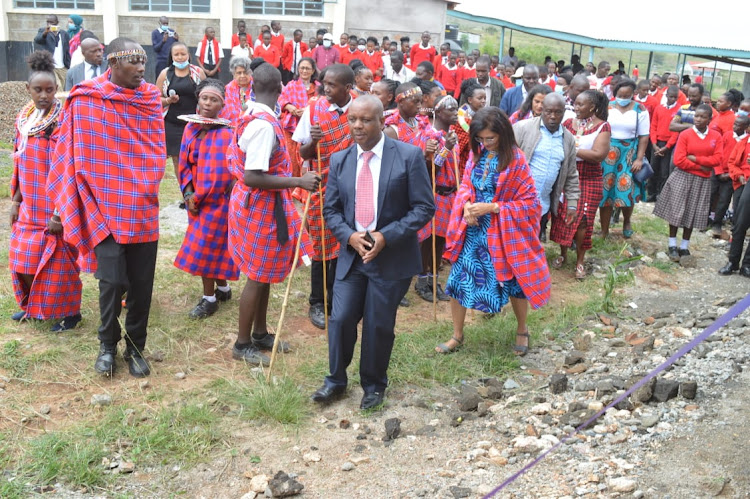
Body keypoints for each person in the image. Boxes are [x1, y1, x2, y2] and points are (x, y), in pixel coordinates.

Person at [47, 37, 165, 378]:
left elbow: (155, 150)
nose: (142, 69)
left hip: (141, 206)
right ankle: (107, 346)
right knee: (111, 282)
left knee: (142, 284)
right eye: (134, 62)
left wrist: (141, 184)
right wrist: (64, 206)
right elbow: (71, 153)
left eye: (144, 62)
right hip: (102, 207)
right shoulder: (86, 99)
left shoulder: (148, 98)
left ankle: (136, 349)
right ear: (112, 63)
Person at [311, 95, 434, 410]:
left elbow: (424, 207)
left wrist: (385, 236)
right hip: (352, 256)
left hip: (390, 256)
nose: (357, 126)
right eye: (352, 119)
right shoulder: (340, 160)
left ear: (382, 122)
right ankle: (336, 380)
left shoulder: (408, 156)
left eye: (365, 120)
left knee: (379, 324)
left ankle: (374, 385)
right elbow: (332, 210)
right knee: (339, 318)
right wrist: (349, 237)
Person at [227, 62, 321, 365]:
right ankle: (242, 344)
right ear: (281, 88)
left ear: (252, 86)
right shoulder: (263, 126)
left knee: (265, 270)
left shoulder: (253, 113)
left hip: (259, 203)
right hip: (258, 204)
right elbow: (253, 175)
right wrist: (298, 181)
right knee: (256, 274)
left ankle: (260, 333)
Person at [438, 107, 550, 355]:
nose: (485, 143)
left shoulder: (516, 159)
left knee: (513, 283)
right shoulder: (477, 156)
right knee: (459, 279)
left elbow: (531, 203)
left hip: (504, 234)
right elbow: (466, 184)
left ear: (503, 133)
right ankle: (457, 335)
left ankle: (522, 330)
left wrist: (494, 207)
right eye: (480, 138)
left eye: (490, 138)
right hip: (474, 232)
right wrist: (466, 205)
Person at [9, 51, 82, 331]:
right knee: (22, 258)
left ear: (56, 90)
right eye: (38, 90)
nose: (43, 95)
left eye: (49, 90)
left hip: (54, 207)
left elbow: (66, 168)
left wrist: (60, 214)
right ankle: (35, 307)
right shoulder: (24, 119)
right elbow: (19, 161)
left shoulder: (61, 122)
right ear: (27, 89)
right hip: (29, 205)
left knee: (60, 263)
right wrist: (15, 201)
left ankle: (71, 314)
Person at [293, 64, 354, 329]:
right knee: (320, 246)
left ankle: (339, 297)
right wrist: (314, 142)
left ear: (348, 88)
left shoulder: (359, 111)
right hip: (322, 187)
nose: (325, 89)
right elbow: (303, 154)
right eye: (324, 83)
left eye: (332, 85)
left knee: (346, 244)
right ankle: (317, 301)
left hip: (352, 189)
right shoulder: (314, 108)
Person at [174, 80, 239, 318]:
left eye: (214, 100)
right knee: (212, 245)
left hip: (217, 201)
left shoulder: (225, 133)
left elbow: (219, 175)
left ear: (222, 104)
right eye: (204, 98)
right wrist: (189, 193)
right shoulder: (191, 128)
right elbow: (184, 165)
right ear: (198, 99)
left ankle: (209, 298)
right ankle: (223, 288)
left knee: (207, 246)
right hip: (196, 199)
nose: (208, 103)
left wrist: (199, 197)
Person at [550, 90, 611, 279]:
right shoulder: (568, 123)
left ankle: (580, 261)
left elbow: (598, 155)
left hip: (589, 178)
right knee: (564, 216)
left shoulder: (603, 127)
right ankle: (563, 254)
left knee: (583, 220)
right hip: (567, 176)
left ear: (592, 107)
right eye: (574, 104)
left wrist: (573, 150)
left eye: (580, 105)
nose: (575, 108)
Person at [654, 104, 723, 261]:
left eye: (702, 117)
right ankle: (672, 244)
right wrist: (703, 166)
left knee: (692, 211)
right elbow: (679, 160)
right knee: (676, 210)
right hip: (683, 176)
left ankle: (684, 246)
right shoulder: (685, 134)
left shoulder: (716, 137)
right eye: (696, 116)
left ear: (709, 119)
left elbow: (718, 159)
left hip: (702, 180)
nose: (698, 119)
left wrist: (695, 158)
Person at [513, 93, 579, 248]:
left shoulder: (567, 139)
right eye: (548, 111)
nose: (553, 116)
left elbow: (571, 175)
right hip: (517, 202)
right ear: (541, 110)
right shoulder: (522, 128)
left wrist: (572, 204)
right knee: (513, 245)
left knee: (530, 247)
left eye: (558, 112)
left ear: (564, 112)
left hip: (542, 206)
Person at [415, 95, 460, 302]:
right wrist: (446, 149)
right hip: (434, 192)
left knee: (441, 240)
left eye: (456, 109)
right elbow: (428, 169)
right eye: (451, 110)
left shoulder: (452, 135)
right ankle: (422, 280)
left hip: (450, 194)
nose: (455, 114)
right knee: (428, 239)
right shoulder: (429, 135)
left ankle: (434, 279)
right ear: (439, 112)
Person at [600, 79, 650, 239]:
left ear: (632, 95)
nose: (623, 98)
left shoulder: (640, 110)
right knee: (606, 189)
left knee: (627, 188)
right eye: (620, 95)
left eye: (627, 95)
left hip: (629, 153)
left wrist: (639, 159)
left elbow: (644, 136)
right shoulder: (606, 107)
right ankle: (604, 229)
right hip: (608, 151)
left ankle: (627, 221)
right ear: (615, 94)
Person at [156, 42, 206, 180]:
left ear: (188, 55)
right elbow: (155, 99)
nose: (180, 57)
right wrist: (167, 101)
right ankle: (185, 195)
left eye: (183, 54)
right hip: (172, 125)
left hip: (194, 124)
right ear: (171, 56)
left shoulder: (198, 72)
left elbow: (207, 94)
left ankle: (197, 192)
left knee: (196, 158)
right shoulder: (165, 74)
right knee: (178, 160)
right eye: (176, 54)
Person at [720, 117, 750, 276]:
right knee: (740, 224)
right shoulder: (744, 143)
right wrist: (739, 175)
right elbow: (733, 162)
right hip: (743, 184)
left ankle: (747, 264)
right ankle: (733, 261)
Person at [710, 115, 748, 237]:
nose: (734, 126)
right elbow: (718, 152)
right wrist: (719, 171)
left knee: (724, 200)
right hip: (718, 171)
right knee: (710, 195)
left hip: (732, 176)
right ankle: (704, 220)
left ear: (746, 127)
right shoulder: (727, 135)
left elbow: (741, 165)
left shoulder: (745, 141)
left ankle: (717, 223)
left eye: (738, 125)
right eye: (734, 124)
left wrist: (730, 174)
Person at [280, 57, 319, 176]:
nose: (304, 71)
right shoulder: (291, 85)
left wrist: (307, 111)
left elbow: (322, 103)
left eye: (308, 68)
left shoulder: (318, 87)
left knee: (310, 159)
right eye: (302, 68)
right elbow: (281, 99)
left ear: (313, 71)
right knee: (292, 159)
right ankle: (294, 189)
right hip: (292, 128)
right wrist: (290, 107)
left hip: (312, 128)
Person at [648, 86, 681, 201]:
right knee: (653, 168)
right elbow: (653, 126)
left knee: (664, 171)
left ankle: (660, 194)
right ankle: (651, 192)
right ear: (666, 96)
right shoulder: (659, 108)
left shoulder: (679, 110)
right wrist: (654, 143)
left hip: (668, 145)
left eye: (675, 97)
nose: (672, 99)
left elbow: (676, 131)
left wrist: (667, 147)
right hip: (656, 143)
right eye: (671, 96)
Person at [454, 81, 486, 179]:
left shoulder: (480, 113)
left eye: (485, 98)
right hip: (464, 161)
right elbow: (460, 145)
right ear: (470, 99)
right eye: (480, 98)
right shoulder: (462, 118)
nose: (483, 101)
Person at [34, 15, 71, 89]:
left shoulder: (64, 34)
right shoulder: (43, 31)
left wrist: (68, 64)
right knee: (58, 86)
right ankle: (59, 101)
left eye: (52, 22)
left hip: (62, 66)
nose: (49, 24)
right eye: (48, 22)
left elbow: (67, 50)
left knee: (65, 88)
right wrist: (45, 33)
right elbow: (37, 40)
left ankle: (61, 101)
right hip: (50, 66)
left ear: (57, 23)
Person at [222, 56, 253, 124]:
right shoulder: (228, 88)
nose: (242, 76)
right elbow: (228, 111)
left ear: (250, 73)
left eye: (245, 72)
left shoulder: (257, 86)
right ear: (234, 74)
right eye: (239, 73)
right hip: (233, 127)